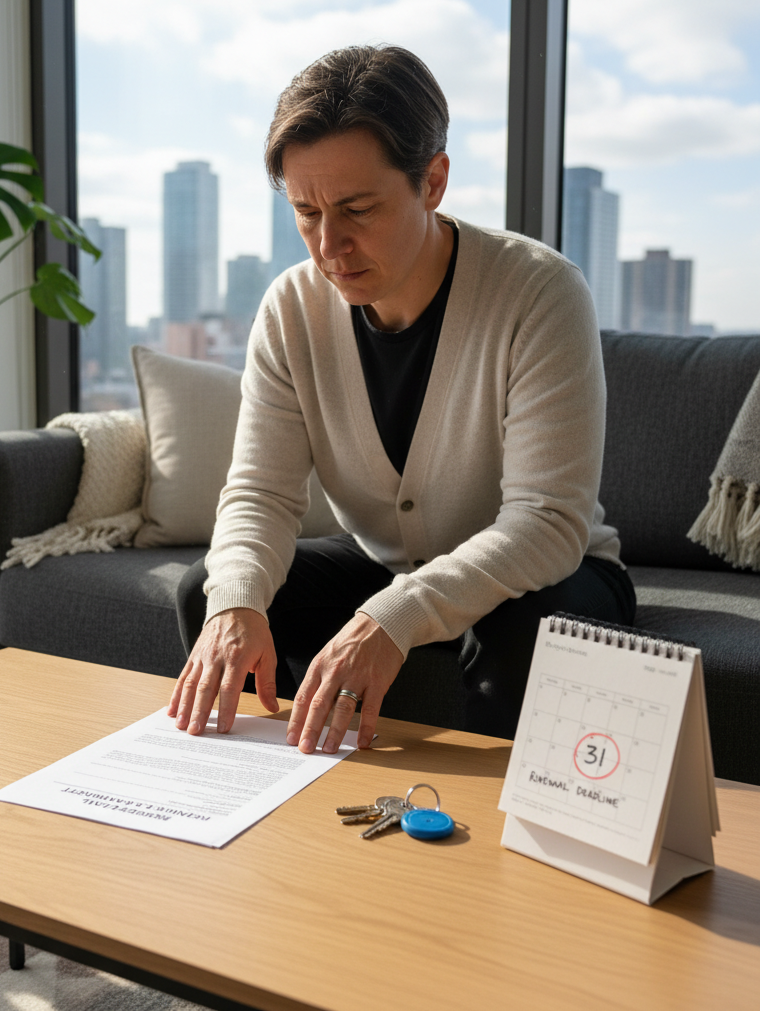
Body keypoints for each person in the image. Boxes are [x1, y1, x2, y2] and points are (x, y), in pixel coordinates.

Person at [168, 44, 636, 756]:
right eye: (306, 213)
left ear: (433, 181)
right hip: (393, 564)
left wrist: (391, 619)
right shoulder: (291, 309)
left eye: (357, 209)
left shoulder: (540, 293)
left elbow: (546, 523)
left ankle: (475, 853)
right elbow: (260, 494)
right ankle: (280, 794)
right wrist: (235, 603)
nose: (330, 246)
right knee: (214, 593)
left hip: (558, 575)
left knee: (520, 639)